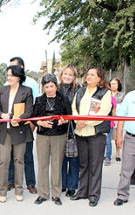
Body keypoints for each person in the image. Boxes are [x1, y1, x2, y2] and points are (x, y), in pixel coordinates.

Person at [70, 66, 112, 207]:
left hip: (96, 134)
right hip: (80, 133)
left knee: (95, 165)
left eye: (92, 75)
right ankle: (82, 191)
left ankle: (93, 195)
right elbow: (74, 108)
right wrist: (78, 121)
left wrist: (85, 122)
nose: (89, 77)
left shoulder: (105, 92)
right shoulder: (80, 91)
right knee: (83, 164)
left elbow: (103, 112)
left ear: (100, 78)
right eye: (88, 74)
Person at [0, 65, 33, 202]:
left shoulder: (27, 91)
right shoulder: (2, 90)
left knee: (19, 161)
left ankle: (19, 190)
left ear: (19, 77)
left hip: (19, 130)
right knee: (3, 161)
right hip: (5, 130)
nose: (8, 78)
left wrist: (20, 118)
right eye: (8, 75)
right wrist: (2, 115)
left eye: (11, 75)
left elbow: (29, 111)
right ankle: (2, 191)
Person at [32, 74, 71, 205]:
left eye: (51, 86)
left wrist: (63, 121)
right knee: (42, 164)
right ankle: (42, 194)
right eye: (46, 86)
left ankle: (56, 194)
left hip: (59, 136)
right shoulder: (38, 100)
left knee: (57, 165)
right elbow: (33, 117)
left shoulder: (64, 98)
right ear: (43, 87)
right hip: (42, 136)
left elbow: (69, 117)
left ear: (56, 85)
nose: (49, 89)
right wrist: (40, 123)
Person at [6, 57, 38, 194]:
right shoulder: (6, 84)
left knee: (27, 156)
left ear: (22, 69)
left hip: (25, 125)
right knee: (11, 155)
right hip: (10, 127)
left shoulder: (31, 84)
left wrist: (32, 124)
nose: (10, 73)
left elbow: (35, 106)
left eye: (14, 68)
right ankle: (10, 181)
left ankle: (30, 183)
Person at [113, 73, 135, 206]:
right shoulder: (130, 96)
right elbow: (121, 117)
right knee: (126, 169)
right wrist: (119, 136)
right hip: (131, 138)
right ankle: (122, 195)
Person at [58, 65, 80, 197]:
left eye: (70, 74)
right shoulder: (55, 88)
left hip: (73, 128)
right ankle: (62, 184)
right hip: (58, 129)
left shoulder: (79, 90)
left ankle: (72, 185)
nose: (67, 76)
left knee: (73, 159)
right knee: (60, 159)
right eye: (65, 74)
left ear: (74, 77)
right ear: (61, 75)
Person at [110, 78, 125, 161]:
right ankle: (107, 154)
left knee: (117, 137)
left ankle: (118, 153)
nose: (113, 85)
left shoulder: (122, 95)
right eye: (111, 84)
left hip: (118, 118)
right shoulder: (107, 94)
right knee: (108, 137)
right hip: (109, 118)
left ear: (118, 85)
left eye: (115, 84)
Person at [104, 95, 117, 166]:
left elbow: (114, 112)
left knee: (108, 140)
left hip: (109, 123)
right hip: (99, 122)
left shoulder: (112, 98)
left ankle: (108, 157)